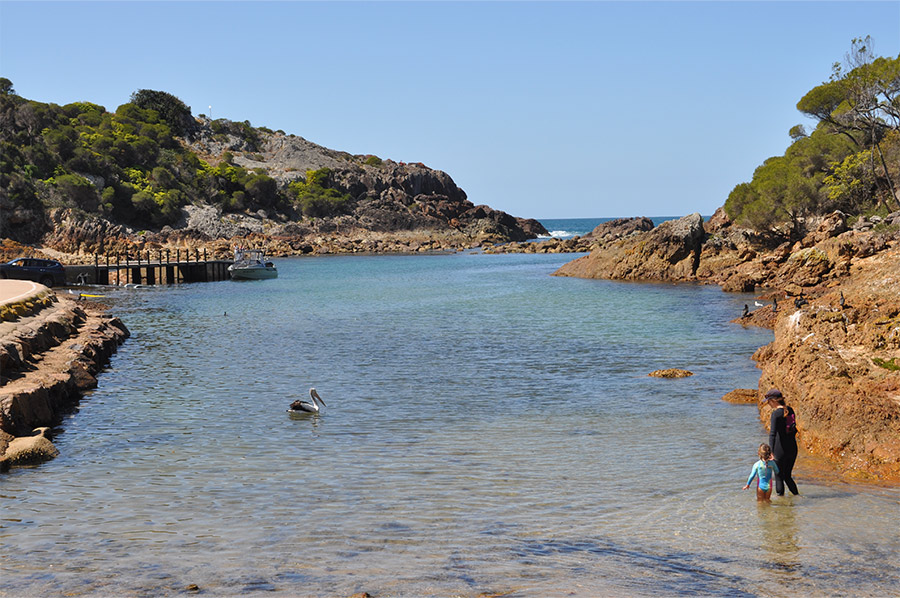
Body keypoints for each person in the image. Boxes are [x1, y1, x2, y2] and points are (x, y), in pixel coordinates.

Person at [766, 388, 799, 496]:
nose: (768, 403)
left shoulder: (776, 414)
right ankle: (797, 496)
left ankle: (781, 503)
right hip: (793, 449)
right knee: (787, 476)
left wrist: (771, 452)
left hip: (780, 450)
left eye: (768, 401)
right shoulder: (790, 410)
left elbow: (772, 434)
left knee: (779, 477)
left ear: (773, 400)